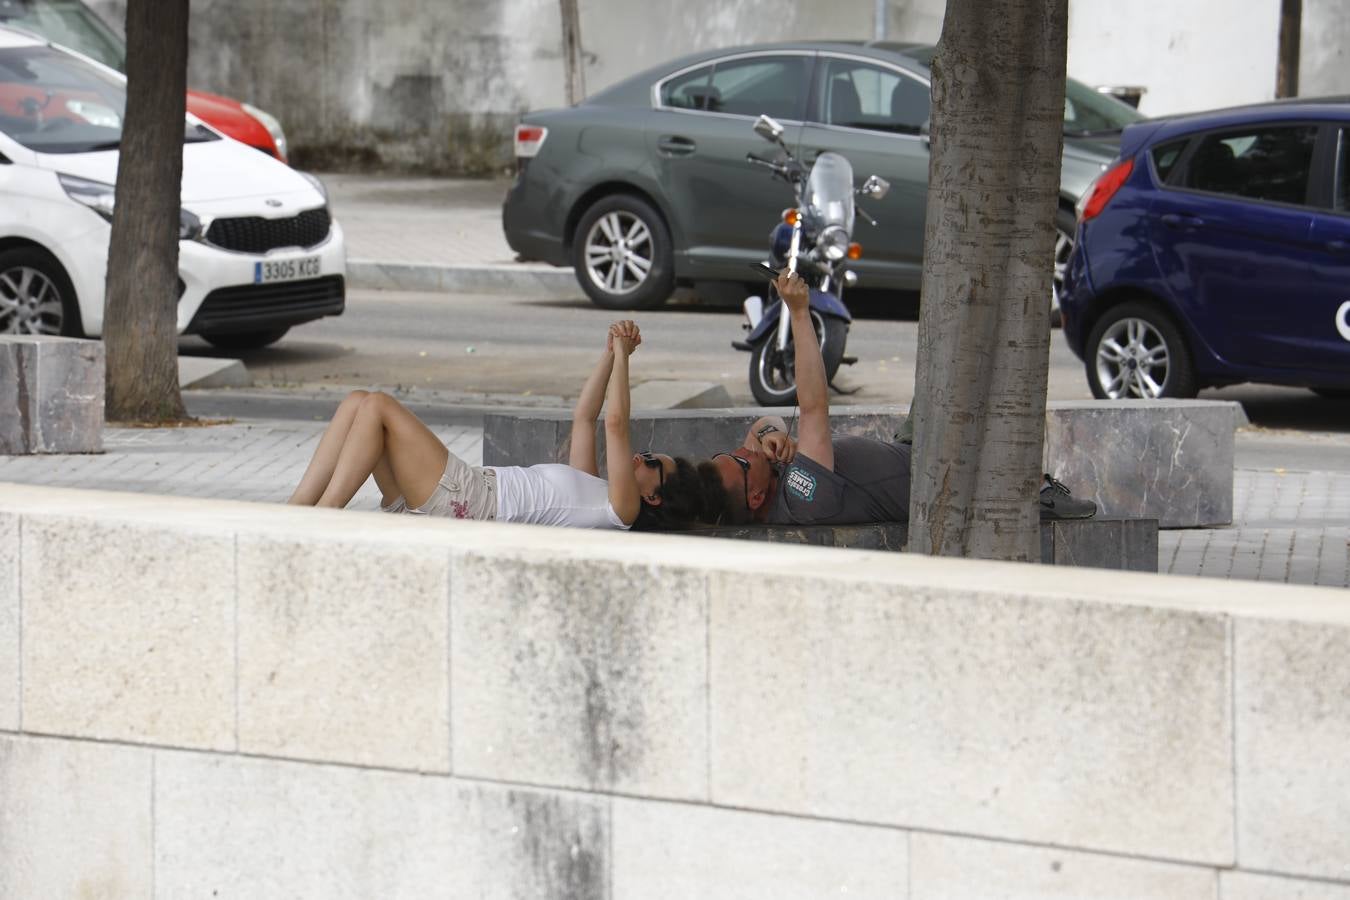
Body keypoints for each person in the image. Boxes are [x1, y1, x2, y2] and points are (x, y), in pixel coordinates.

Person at [708, 271, 1095, 526]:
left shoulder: (761, 479)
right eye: (742, 462)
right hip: (942, 468)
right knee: (979, 359)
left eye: (732, 453)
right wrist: (798, 311)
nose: (747, 453)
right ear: (755, 496)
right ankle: (1032, 490)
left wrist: (769, 434)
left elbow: (760, 427)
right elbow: (812, 406)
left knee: (956, 345)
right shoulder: (802, 495)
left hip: (913, 447)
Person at [288, 320, 708, 530]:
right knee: (357, 402)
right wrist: (612, 356)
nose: (639, 456)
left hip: (473, 503)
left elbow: (616, 424)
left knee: (378, 406)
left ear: (654, 497)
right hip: (464, 497)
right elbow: (586, 417)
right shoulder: (593, 490)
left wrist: (624, 352)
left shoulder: (621, 510)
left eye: (651, 461)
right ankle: (294, 515)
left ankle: (321, 526)